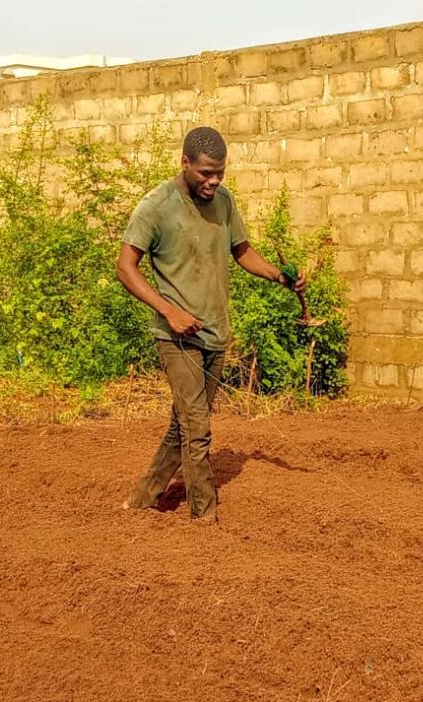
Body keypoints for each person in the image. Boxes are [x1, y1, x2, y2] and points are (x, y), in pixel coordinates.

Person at [116, 126, 306, 523]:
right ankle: (205, 517)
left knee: (184, 423)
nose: (213, 181)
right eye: (205, 173)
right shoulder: (156, 206)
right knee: (198, 427)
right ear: (185, 163)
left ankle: (143, 498)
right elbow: (125, 268)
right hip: (176, 334)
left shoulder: (223, 201)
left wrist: (279, 276)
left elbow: (242, 250)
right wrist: (169, 310)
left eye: (219, 173)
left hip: (215, 333)